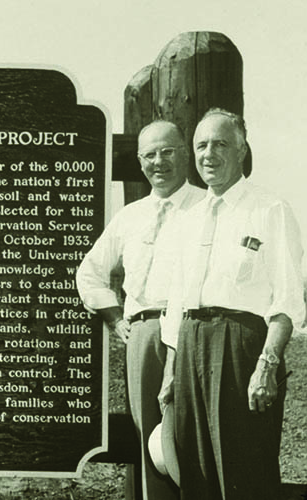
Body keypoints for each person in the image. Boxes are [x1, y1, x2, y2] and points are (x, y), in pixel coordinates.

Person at [160, 108, 305, 499]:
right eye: (202, 145)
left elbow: (288, 300)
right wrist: (171, 371)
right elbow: (177, 301)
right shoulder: (188, 218)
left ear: (242, 150)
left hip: (242, 349)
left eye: (221, 143)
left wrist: (267, 365)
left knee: (245, 472)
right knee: (194, 470)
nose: (210, 154)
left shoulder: (270, 209)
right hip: (190, 346)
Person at [77, 120, 205, 500]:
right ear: (139, 161)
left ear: (185, 153)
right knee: (150, 440)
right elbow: (90, 272)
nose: (159, 162)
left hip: (192, 332)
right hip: (143, 335)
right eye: (149, 154)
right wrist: (115, 318)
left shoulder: (207, 205)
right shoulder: (130, 216)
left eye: (168, 151)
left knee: (195, 438)